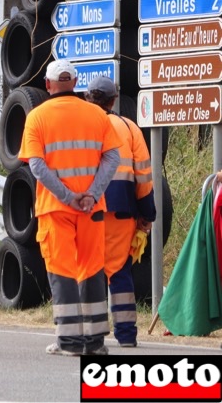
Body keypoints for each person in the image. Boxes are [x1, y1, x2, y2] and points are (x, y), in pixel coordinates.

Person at [18, 60, 121, 356]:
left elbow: (36, 165)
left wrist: (67, 196)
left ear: (48, 85)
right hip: (92, 207)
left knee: (62, 271)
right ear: (74, 83)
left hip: (55, 208)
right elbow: (112, 158)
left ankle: (70, 342)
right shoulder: (97, 114)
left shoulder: (36, 117)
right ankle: (95, 343)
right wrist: (91, 194)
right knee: (92, 270)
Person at [85, 76, 155, 348]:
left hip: (85, 209)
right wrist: (147, 215)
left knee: (89, 270)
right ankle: (125, 335)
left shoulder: (80, 126)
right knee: (119, 272)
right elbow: (144, 177)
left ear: (89, 98)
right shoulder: (129, 127)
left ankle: (92, 334)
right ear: (114, 100)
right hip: (120, 210)